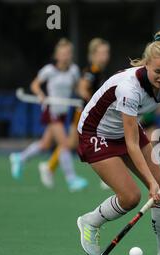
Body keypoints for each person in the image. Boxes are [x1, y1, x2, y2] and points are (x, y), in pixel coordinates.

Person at [76, 28, 160, 255]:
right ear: (147, 65)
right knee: (131, 197)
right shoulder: (129, 88)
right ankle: (90, 221)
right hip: (96, 134)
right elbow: (132, 144)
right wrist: (149, 183)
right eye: (158, 71)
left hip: (126, 131)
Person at [9, 38, 88, 192]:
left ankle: (20, 158)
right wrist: (40, 94)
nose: (65, 56)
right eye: (62, 53)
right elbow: (35, 85)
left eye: (68, 53)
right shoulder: (49, 70)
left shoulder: (73, 70)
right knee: (64, 144)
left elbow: (77, 88)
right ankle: (71, 179)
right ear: (57, 55)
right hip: (51, 110)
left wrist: (86, 96)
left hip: (63, 112)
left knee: (45, 144)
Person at [38, 38, 111, 189]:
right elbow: (83, 88)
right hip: (84, 113)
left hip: (87, 113)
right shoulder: (92, 71)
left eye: (106, 52)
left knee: (70, 144)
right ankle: (107, 177)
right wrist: (95, 103)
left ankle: (49, 167)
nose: (105, 56)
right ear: (93, 54)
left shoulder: (99, 71)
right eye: (101, 52)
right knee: (102, 140)